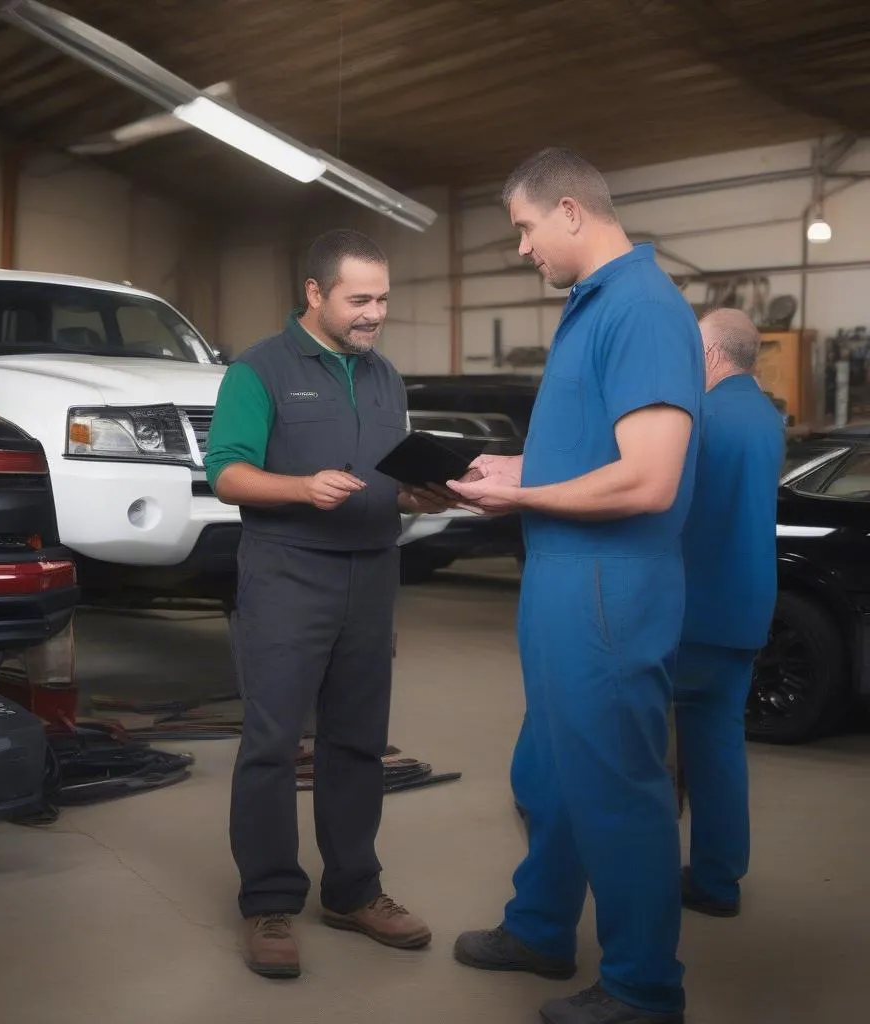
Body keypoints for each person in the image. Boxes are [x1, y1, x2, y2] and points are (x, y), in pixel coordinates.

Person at [448, 147, 704, 1024]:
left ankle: (642, 988)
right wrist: (511, 467)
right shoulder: (592, 309)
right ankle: (541, 928)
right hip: (563, 575)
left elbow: (649, 478)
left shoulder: (641, 307)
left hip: (607, 585)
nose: (522, 248)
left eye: (522, 228)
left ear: (567, 210)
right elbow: (593, 454)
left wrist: (520, 493)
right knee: (552, 771)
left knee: (618, 787)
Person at [204, 228, 449, 980]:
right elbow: (226, 475)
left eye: (382, 298)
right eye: (360, 299)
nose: (375, 313)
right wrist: (301, 488)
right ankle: (269, 901)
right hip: (287, 575)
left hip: (372, 574)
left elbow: (389, 479)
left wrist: (421, 494)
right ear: (314, 293)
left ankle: (354, 890)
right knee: (274, 744)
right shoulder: (259, 370)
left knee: (356, 741)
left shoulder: (386, 378)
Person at [675, 308, 785, 919]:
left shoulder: (701, 418)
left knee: (632, 744)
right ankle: (719, 881)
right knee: (717, 745)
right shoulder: (766, 416)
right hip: (746, 608)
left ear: (712, 354)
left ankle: (631, 875)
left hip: (694, 608)